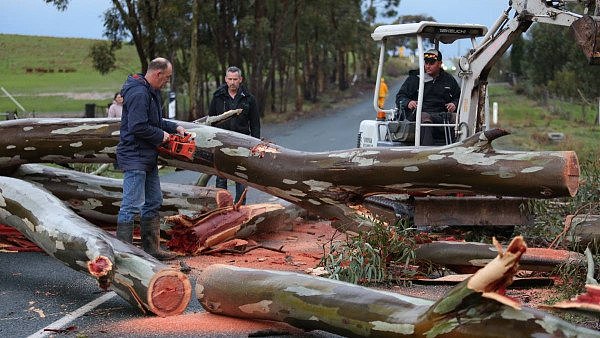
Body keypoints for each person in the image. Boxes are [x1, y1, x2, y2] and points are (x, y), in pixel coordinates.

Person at [115, 57, 186, 260]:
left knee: (154, 200)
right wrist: (160, 136)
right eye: (167, 78)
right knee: (131, 204)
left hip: (147, 156)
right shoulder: (139, 92)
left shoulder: (149, 90)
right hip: (135, 156)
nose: (167, 82)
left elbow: (154, 120)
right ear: (157, 74)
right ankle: (124, 254)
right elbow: (138, 126)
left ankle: (151, 250)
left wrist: (173, 128)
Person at [208, 66, 260, 205]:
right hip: (221, 142)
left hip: (242, 142)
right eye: (229, 79)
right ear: (225, 79)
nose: (232, 82)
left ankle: (240, 208)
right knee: (221, 178)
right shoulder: (218, 96)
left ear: (240, 80)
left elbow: (255, 124)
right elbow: (211, 120)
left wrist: (256, 145)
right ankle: (222, 209)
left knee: (241, 178)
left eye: (235, 79)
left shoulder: (249, 98)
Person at [395, 49, 460, 145]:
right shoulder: (415, 79)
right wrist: (408, 102)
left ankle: (458, 147)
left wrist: (454, 104)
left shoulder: (449, 80)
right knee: (425, 118)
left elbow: (459, 97)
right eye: (426, 63)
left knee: (458, 118)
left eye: (432, 63)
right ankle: (426, 151)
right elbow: (400, 97)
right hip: (421, 114)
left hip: (442, 114)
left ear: (440, 63)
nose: (428, 66)